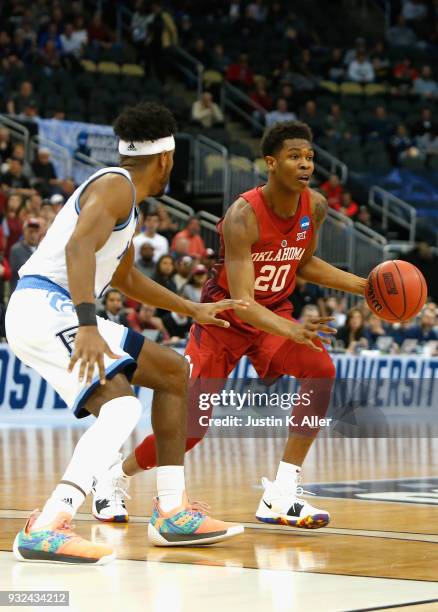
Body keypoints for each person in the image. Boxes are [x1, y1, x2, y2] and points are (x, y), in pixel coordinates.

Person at [5, 102, 244, 565]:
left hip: (54, 307)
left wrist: (191, 306)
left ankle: (172, 511)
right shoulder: (116, 186)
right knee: (122, 407)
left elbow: (126, 278)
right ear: (167, 158)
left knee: (175, 372)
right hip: (46, 305)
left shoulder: (124, 200)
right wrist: (89, 324)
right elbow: (78, 247)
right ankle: (51, 522)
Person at [109, 120, 368, 530]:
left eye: (309, 157)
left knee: (321, 369)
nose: (305, 165)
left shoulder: (313, 206)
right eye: (294, 157)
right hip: (223, 320)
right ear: (270, 162)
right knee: (190, 430)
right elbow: (244, 304)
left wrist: (364, 285)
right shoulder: (243, 216)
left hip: (273, 317)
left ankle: (281, 493)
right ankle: (116, 476)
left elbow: (303, 262)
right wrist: (292, 328)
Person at [9, 218, 42, 293]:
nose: (33, 235)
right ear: (24, 231)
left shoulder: (41, 249)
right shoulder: (16, 250)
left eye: (36, 232)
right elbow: (25, 271)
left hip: (36, 293)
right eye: (30, 231)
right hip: (19, 292)